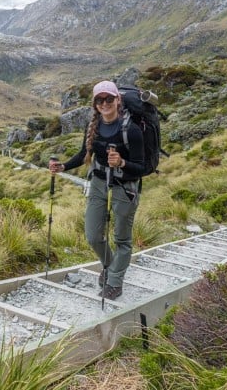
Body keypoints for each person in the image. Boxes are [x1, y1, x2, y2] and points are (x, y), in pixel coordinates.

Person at [49, 80, 144, 300]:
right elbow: (85, 154)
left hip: (125, 185)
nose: (104, 103)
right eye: (99, 100)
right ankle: (109, 265)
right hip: (99, 182)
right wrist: (63, 166)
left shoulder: (132, 130)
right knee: (93, 235)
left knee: (122, 239)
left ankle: (114, 282)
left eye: (109, 98)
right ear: (95, 104)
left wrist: (121, 163)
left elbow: (141, 167)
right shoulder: (93, 126)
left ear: (117, 99)